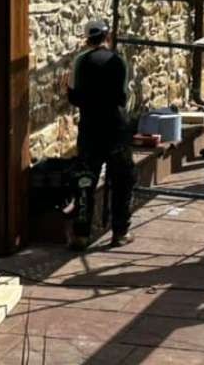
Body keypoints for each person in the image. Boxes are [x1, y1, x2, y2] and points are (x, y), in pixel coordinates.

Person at [64, 18, 135, 249]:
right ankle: (120, 232)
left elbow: (72, 95)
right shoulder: (119, 61)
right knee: (121, 181)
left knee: (85, 180)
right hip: (116, 129)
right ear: (107, 36)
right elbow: (124, 96)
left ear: (87, 39)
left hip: (90, 128)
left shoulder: (80, 61)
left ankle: (81, 235)